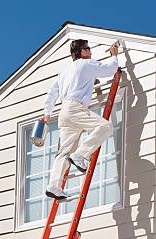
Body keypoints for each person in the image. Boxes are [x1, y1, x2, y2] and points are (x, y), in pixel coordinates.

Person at [42, 39, 119, 200]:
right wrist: (114, 55)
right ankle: (81, 155)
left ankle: (53, 186)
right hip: (76, 108)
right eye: (88, 49)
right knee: (105, 127)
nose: (90, 52)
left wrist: (47, 114)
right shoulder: (86, 64)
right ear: (82, 52)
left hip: (64, 112)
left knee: (63, 152)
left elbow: (52, 94)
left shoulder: (63, 72)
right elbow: (110, 69)